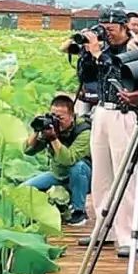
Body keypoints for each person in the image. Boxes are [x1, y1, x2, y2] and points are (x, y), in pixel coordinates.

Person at [71, 8, 138, 258]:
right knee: (101, 175)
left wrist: (98, 53)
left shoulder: (135, 48)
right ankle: (104, 229)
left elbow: (119, 72)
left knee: (125, 175)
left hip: (124, 114)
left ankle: (128, 235)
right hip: (101, 111)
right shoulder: (103, 50)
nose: (107, 34)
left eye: (111, 29)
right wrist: (85, 53)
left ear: (124, 27)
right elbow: (86, 77)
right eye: (103, 29)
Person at [24, 95, 93, 226]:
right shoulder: (51, 128)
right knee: (25, 189)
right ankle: (57, 207)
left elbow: (68, 159)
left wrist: (53, 138)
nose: (56, 121)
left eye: (60, 118)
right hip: (59, 175)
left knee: (78, 167)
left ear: (72, 116)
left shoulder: (84, 131)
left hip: (83, 178)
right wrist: (37, 130)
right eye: (53, 116)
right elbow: (28, 151)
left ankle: (78, 211)